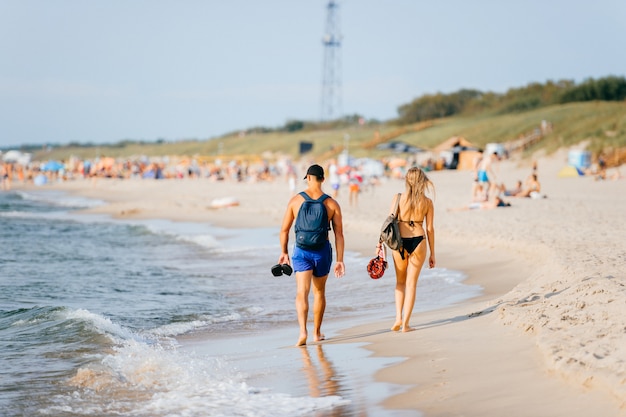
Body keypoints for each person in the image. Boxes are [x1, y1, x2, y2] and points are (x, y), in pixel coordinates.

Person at [278, 164, 345, 346]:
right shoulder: (332, 203)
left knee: (302, 293)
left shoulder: (295, 201)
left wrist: (284, 252)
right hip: (322, 252)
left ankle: (302, 332)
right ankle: (316, 333)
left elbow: (284, 231)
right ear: (323, 179)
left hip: (301, 251)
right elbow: (339, 234)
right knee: (319, 292)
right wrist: (340, 260)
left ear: (307, 178)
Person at [384, 166, 435, 332]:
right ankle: (406, 324)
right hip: (419, 241)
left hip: (399, 242)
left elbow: (389, 222)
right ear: (423, 181)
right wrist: (433, 253)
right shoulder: (427, 202)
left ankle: (398, 317)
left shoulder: (398, 198)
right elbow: (430, 229)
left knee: (400, 282)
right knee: (411, 284)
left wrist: (380, 244)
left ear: (407, 180)